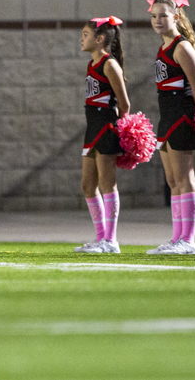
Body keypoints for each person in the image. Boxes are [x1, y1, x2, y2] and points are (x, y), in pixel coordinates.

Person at [145, 0, 195, 256]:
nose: (158, 20)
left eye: (163, 15)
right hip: (166, 115)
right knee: (172, 180)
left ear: (176, 18)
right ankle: (177, 238)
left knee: (184, 178)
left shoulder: (181, 48)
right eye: (154, 16)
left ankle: (188, 241)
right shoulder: (163, 47)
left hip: (181, 114)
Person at [74, 16, 130, 254]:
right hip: (92, 126)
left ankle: (111, 240)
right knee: (88, 185)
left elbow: (124, 103)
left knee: (107, 184)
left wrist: (124, 130)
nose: (81, 38)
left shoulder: (109, 64)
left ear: (100, 39)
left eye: (85, 35)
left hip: (107, 125)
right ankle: (100, 238)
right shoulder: (92, 64)